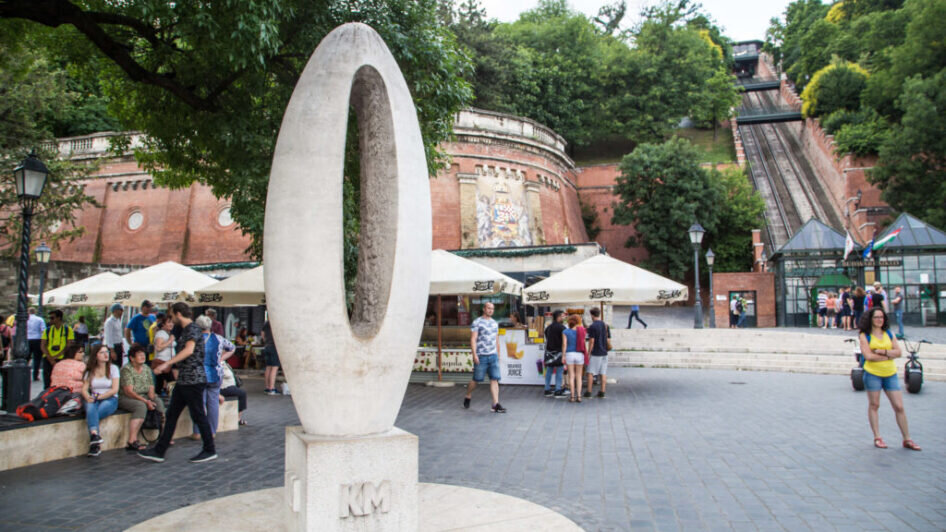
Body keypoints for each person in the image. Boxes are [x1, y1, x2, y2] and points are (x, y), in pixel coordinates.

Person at [138, 302, 217, 464]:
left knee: (198, 415)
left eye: (172, 315)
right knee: (172, 414)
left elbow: (188, 350)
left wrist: (167, 364)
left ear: (178, 314)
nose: (172, 318)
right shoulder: (187, 330)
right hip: (185, 380)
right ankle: (159, 450)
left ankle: (209, 449)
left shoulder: (193, 329)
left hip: (192, 380)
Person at [858, 307, 921, 451]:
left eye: (882, 317)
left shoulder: (889, 333)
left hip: (890, 373)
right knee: (874, 405)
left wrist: (883, 352)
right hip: (873, 373)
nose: (879, 320)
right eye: (876, 317)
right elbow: (868, 356)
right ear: (870, 319)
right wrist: (888, 355)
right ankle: (877, 437)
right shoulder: (864, 335)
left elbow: (898, 352)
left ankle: (907, 439)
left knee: (899, 406)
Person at [190, 315, 235, 439]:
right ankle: (212, 431)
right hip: (216, 373)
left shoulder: (194, 339)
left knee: (200, 403)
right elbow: (232, 348)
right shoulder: (219, 338)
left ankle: (198, 432)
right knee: (213, 403)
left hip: (199, 374)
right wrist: (221, 358)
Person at [119, 343, 165, 451]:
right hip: (128, 397)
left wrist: (152, 398)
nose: (143, 356)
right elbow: (128, 391)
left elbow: (151, 386)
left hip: (144, 395)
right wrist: (146, 401)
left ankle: (164, 435)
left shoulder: (146, 368)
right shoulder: (127, 369)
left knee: (159, 402)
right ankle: (132, 441)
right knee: (140, 406)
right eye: (139, 355)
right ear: (132, 358)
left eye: (143, 354)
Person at [463, 302, 506, 413]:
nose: (491, 310)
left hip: (493, 355)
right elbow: (473, 339)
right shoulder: (477, 322)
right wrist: (474, 354)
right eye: (489, 308)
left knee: (494, 379)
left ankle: (495, 404)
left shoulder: (494, 323)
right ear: (484, 309)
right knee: (476, 380)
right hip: (481, 356)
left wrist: (498, 354)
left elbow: (496, 339)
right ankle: (468, 394)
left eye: (492, 309)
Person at [81, 343, 120, 457]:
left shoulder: (113, 369)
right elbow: (84, 389)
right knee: (90, 406)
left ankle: (94, 443)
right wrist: (87, 396)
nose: (105, 355)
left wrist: (99, 397)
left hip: (110, 398)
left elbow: (114, 389)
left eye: (107, 352)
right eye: (102, 352)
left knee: (93, 414)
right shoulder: (90, 371)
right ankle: (95, 437)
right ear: (96, 356)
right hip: (94, 398)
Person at [41, 309, 75, 389]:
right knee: (47, 381)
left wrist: (57, 356)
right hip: (48, 359)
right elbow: (43, 345)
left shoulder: (67, 330)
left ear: (59, 318)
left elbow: (68, 345)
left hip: (62, 358)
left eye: (52, 318)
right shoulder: (47, 330)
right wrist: (50, 358)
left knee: (61, 380)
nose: (50, 320)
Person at [543, 310, 566, 398]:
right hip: (559, 352)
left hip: (549, 352)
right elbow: (565, 341)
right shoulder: (562, 328)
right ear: (558, 317)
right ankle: (557, 389)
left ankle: (547, 389)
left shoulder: (548, 327)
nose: (563, 318)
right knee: (559, 371)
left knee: (549, 370)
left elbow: (546, 336)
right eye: (563, 316)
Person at [152, 313, 176, 395]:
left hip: (167, 362)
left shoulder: (168, 334)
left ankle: (157, 399)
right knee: (171, 382)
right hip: (162, 361)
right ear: (163, 324)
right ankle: (173, 399)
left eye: (172, 322)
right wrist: (170, 341)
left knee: (160, 383)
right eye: (169, 322)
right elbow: (158, 347)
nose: (171, 324)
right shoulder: (161, 333)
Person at [563, 315, 583, 402]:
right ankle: (579, 396)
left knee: (571, 376)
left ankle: (572, 396)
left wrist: (563, 356)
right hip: (579, 354)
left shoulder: (565, 331)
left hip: (569, 354)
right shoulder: (582, 331)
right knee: (579, 376)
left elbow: (564, 345)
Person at [261, 320, 281, 395]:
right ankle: (272, 388)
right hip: (274, 347)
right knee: (274, 368)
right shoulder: (277, 322)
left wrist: (266, 341)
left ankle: (267, 387)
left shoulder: (266, 323)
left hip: (267, 346)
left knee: (268, 367)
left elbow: (262, 333)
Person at [27, 308, 46, 381]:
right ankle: (35, 375)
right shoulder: (39, 319)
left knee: (26, 357)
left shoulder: (26, 320)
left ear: (29, 312)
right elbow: (43, 330)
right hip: (37, 339)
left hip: (28, 339)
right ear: (35, 312)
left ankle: (25, 373)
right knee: (37, 358)